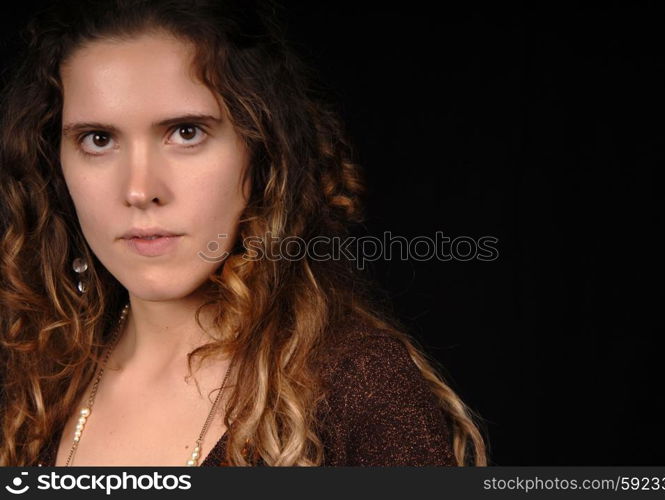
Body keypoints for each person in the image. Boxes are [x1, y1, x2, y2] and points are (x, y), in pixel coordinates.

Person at [0, 0, 487, 467]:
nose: (140, 190)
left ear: (262, 149)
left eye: (186, 132)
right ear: (53, 162)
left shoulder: (357, 388)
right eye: (98, 139)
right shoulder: (27, 383)